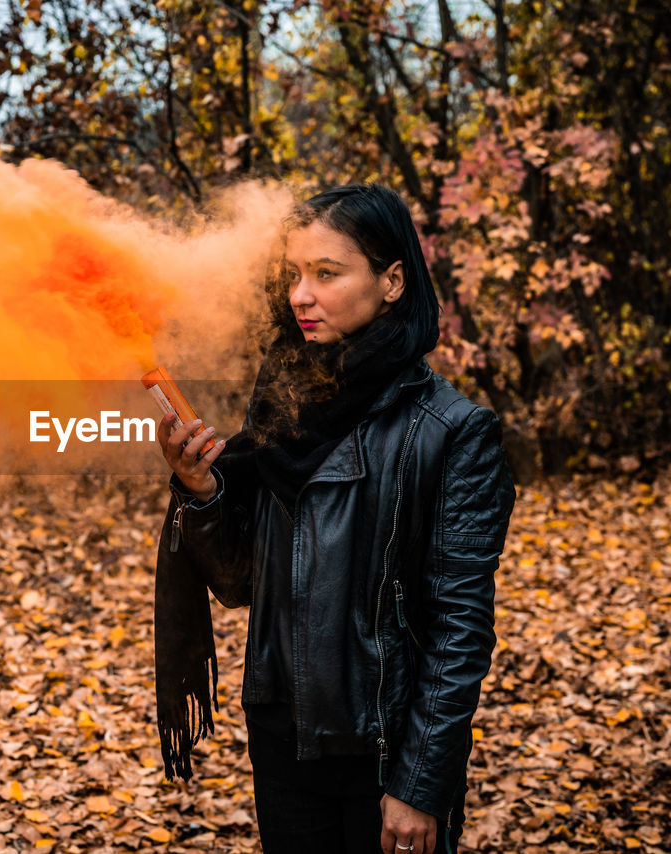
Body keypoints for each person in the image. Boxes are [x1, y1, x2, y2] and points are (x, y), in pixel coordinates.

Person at [151, 183, 517, 854]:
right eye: (293, 274)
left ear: (392, 281)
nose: (300, 295)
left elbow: (458, 631)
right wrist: (203, 491)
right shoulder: (281, 410)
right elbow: (242, 584)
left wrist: (419, 783)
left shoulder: (453, 434)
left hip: (383, 759)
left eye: (326, 273)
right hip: (283, 745)